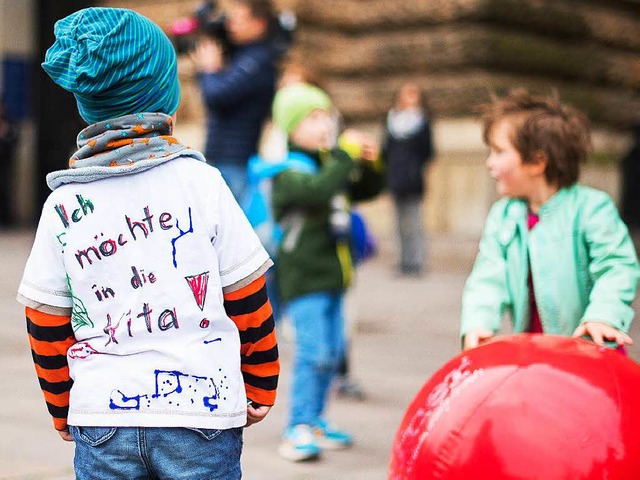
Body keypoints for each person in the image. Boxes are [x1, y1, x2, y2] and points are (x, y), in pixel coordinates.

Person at [17, 8, 279, 479]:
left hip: (103, 419)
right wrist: (260, 381)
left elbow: (45, 317)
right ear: (167, 101)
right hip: (201, 413)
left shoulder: (65, 204)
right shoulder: (202, 183)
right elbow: (247, 292)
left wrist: (63, 405)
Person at [460, 89, 640, 352]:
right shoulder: (504, 215)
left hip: (591, 350)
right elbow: (487, 277)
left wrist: (602, 316)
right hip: (535, 352)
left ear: (537, 162)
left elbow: (617, 267)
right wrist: (478, 324)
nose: (489, 163)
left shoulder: (591, 208)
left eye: (498, 152)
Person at [270, 83, 384, 461]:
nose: (324, 124)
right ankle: (296, 426)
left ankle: (316, 421)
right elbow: (319, 192)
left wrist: (369, 161)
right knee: (313, 353)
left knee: (333, 354)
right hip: (305, 280)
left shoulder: (330, 162)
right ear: (291, 128)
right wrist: (345, 158)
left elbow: (367, 188)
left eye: (326, 116)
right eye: (313, 118)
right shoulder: (289, 172)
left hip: (335, 277)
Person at [193, 0, 278, 200]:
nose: (230, 25)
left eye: (237, 20)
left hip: (235, 161)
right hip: (221, 156)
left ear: (259, 24)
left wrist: (210, 69)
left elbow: (216, 95)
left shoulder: (257, 61)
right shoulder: (243, 56)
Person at [382, 83, 434, 276]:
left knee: (414, 221)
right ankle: (402, 260)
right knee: (398, 223)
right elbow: (386, 151)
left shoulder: (423, 122)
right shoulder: (391, 121)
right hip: (395, 178)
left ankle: (416, 261)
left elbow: (428, 152)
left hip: (413, 179)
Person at [0, 100, 18, 227]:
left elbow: (13, 141)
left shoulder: (8, 124)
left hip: (4, 166)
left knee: (4, 190)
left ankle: (5, 220)